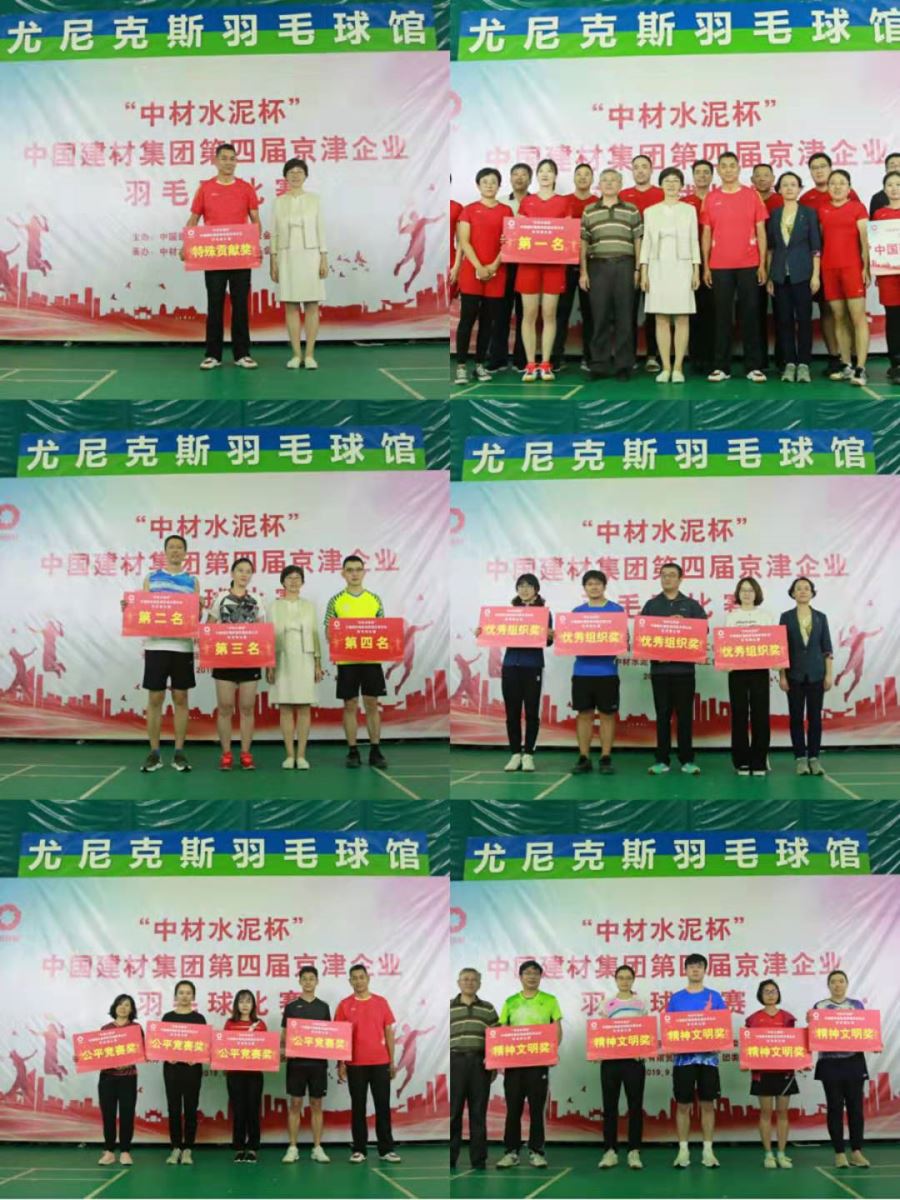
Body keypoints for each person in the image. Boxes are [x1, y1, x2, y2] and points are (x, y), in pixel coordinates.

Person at [122, 534, 200, 774]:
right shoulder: (151, 578)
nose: (175, 551)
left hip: (182, 647)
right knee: (155, 698)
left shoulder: (192, 581)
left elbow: (195, 616)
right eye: (171, 547)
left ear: (185, 553)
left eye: (180, 547)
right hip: (156, 646)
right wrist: (129, 609)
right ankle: (154, 752)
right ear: (165, 552)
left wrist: (198, 610)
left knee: (181, 698)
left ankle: (179, 751)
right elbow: (142, 612)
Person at [183, 143, 260, 370]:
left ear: (237, 162)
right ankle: (212, 355)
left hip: (240, 255)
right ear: (215, 161)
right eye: (224, 158)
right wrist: (186, 245)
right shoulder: (205, 188)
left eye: (232, 158)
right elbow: (194, 220)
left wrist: (256, 246)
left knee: (240, 305)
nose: (229, 162)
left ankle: (242, 354)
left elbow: (255, 220)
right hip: (214, 256)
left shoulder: (246, 188)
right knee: (214, 304)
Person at [701, 151, 768, 382]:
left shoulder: (752, 196)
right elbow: (706, 233)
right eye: (724, 166)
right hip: (719, 265)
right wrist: (706, 266)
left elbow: (761, 231)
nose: (728, 169)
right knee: (721, 316)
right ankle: (721, 367)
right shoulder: (711, 198)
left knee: (751, 314)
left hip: (749, 263)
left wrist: (762, 264)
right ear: (718, 170)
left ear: (739, 169)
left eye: (732, 165)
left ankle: (753, 366)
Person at [476, 573, 553, 773]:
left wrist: (550, 636)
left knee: (531, 712)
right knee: (512, 713)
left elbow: (548, 641)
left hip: (532, 666)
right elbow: (495, 633)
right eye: (520, 586)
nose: (524, 590)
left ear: (536, 589)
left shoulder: (543, 613)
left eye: (528, 586)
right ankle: (515, 754)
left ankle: (528, 755)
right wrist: (483, 632)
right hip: (510, 666)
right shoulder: (508, 614)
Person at [496, 961, 563, 1171]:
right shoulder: (510, 1002)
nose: (531, 977)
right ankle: (511, 1152)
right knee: (513, 1110)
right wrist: (501, 1058)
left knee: (536, 1109)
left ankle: (537, 1152)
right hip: (514, 1065)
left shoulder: (550, 1000)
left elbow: (557, 1029)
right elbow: (502, 1030)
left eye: (535, 973)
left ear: (541, 977)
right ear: (520, 976)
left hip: (538, 1064)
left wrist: (551, 1051)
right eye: (527, 973)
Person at [641, 563, 707, 775]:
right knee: (662, 716)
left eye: (672, 575)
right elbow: (643, 636)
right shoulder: (652, 605)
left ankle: (687, 760)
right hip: (660, 671)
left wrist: (685, 623)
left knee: (685, 716)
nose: (667, 578)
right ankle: (662, 760)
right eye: (664, 575)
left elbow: (703, 631)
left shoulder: (691, 605)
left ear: (680, 579)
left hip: (684, 671)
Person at [324, 555, 389, 770]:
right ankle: (352, 751)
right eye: (350, 570)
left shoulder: (374, 599)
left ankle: (375, 750)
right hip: (347, 661)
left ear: (364, 572)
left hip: (371, 660)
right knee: (350, 704)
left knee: (371, 703)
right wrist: (340, 638)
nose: (354, 573)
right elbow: (329, 631)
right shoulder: (336, 600)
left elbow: (383, 630)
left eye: (358, 569)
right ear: (343, 573)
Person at [800, 153, 861, 376]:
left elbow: (859, 229)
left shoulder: (848, 193)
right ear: (810, 171)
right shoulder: (806, 198)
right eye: (814, 167)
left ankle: (854, 358)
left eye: (823, 166)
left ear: (830, 167)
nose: (819, 170)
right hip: (821, 264)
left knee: (851, 311)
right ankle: (835, 357)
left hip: (848, 262)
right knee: (827, 310)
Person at [639, 166, 700, 383]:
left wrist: (696, 269)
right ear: (661, 185)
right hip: (658, 267)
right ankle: (665, 367)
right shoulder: (650, 211)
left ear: (682, 185)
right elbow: (646, 243)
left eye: (676, 181)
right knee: (661, 318)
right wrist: (644, 272)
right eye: (667, 181)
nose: (672, 185)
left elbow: (694, 240)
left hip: (682, 267)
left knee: (682, 317)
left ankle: (678, 368)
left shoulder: (689, 210)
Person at [579, 169, 642, 380]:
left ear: (620, 185)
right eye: (604, 180)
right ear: (599, 184)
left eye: (613, 180)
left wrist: (638, 269)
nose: (608, 183)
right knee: (599, 317)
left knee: (625, 317)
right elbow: (583, 242)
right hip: (597, 266)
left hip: (625, 265)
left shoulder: (631, 210)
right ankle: (599, 364)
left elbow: (638, 240)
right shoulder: (589, 211)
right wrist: (583, 272)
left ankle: (624, 365)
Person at [667, 954, 728, 1168]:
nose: (695, 970)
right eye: (691, 966)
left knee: (707, 1105)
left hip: (708, 1061)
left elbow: (722, 1028)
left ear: (705, 970)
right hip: (683, 1062)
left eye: (699, 966)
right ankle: (683, 1151)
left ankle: (708, 1151)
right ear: (685, 970)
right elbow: (669, 1029)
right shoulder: (676, 999)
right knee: (683, 1105)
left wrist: (717, 1042)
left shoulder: (715, 997)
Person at [335, 965, 400, 1164]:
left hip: (380, 1062)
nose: (358, 981)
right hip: (355, 1064)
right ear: (350, 981)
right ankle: (359, 1149)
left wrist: (391, 1061)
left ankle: (386, 1149)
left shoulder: (381, 1002)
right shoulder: (344, 1005)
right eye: (354, 978)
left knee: (382, 1106)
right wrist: (341, 1063)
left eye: (361, 977)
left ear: (368, 978)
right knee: (358, 1107)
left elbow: (389, 1033)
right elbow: (340, 1036)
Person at [454, 168, 513, 384]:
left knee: (488, 322)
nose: (489, 185)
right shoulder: (468, 210)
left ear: (499, 186)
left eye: (493, 182)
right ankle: (461, 366)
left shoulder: (506, 210)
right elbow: (464, 242)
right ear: (478, 185)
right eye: (485, 182)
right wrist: (479, 266)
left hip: (497, 272)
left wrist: (494, 265)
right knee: (467, 320)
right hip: (472, 272)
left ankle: (479, 364)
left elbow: (509, 241)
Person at [208, 557, 266, 771]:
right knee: (225, 708)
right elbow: (209, 627)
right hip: (225, 659)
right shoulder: (221, 598)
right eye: (240, 570)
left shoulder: (256, 600)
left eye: (248, 571)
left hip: (250, 660)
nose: (244, 574)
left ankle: (245, 753)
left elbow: (262, 631)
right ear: (232, 573)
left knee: (247, 708)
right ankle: (226, 754)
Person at [516, 158, 571, 381]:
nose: (545, 174)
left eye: (549, 171)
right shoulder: (527, 202)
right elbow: (517, 231)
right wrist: (508, 239)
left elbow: (569, 234)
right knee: (529, 314)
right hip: (528, 265)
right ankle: (530, 364)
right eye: (541, 171)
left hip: (554, 266)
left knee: (549, 314)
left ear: (556, 176)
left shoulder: (563, 202)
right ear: (536, 176)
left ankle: (546, 363)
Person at [270, 158, 328, 370]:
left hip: (311, 254)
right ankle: (296, 354)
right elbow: (274, 232)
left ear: (306, 176)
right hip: (286, 255)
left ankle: (310, 354)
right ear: (285, 176)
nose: (295, 175)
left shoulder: (314, 200)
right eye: (291, 172)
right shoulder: (278, 202)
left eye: (299, 172)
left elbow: (321, 228)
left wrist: (323, 256)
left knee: (312, 304)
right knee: (291, 304)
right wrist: (273, 259)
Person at [765, 172, 821, 383]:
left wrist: (815, 276)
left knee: (804, 320)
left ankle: (804, 363)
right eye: (785, 185)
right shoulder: (775, 214)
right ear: (779, 189)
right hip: (780, 276)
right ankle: (789, 363)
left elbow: (816, 248)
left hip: (803, 275)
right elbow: (771, 248)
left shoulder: (809, 213)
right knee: (784, 321)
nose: (789, 188)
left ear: (799, 189)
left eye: (793, 184)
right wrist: (770, 276)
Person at [813, 970, 871, 1169]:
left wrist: (873, 1042)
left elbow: (866, 1031)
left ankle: (856, 1152)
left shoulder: (857, 1006)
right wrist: (811, 1022)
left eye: (841, 981)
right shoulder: (820, 1007)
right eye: (833, 982)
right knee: (835, 1108)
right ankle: (839, 1153)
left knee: (856, 1108)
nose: (837, 985)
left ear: (846, 984)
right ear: (828, 985)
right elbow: (814, 1034)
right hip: (830, 1064)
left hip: (854, 1062)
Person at [570, 570, 624, 775]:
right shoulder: (577, 613)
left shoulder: (616, 610)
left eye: (598, 583)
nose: (594, 587)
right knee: (584, 715)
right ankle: (584, 757)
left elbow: (622, 640)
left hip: (607, 672)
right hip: (582, 672)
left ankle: (605, 757)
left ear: (604, 586)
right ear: (585, 588)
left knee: (607, 715)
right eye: (590, 584)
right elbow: (569, 640)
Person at [268, 565, 322, 770]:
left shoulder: (309, 606)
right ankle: (289, 755)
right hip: (282, 657)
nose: (293, 581)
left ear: (302, 582)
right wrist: (269, 664)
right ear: (282, 582)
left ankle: (302, 755)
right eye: (289, 578)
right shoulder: (273, 606)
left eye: (297, 578)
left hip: (305, 657)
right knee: (285, 707)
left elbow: (315, 634)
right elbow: (268, 637)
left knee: (304, 707)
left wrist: (317, 662)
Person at [819, 170, 870, 386]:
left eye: (842, 183)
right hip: (829, 269)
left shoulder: (857, 208)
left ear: (849, 187)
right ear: (828, 187)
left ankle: (861, 368)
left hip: (852, 268)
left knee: (858, 318)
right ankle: (846, 364)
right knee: (838, 317)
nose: (837, 186)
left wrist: (866, 267)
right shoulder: (822, 209)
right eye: (833, 183)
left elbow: (865, 240)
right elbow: (821, 241)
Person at [779, 577, 833, 776]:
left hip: (817, 675)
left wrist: (829, 674)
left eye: (806, 588)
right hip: (794, 675)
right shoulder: (786, 617)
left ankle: (814, 758)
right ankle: (800, 758)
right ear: (793, 593)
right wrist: (782, 676)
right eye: (798, 588)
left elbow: (827, 649)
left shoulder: (821, 617)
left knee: (815, 718)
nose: (802, 591)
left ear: (812, 593)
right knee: (796, 718)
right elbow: (781, 649)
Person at [726, 577, 777, 776]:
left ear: (757, 593)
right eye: (743, 590)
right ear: (738, 594)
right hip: (737, 672)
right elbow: (726, 645)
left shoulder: (765, 616)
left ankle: (759, 760)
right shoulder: (732, 617)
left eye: (750, 590)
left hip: (760, 671)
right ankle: (741, 761)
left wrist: (776, 660)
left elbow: (774, 644)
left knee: (760, 715)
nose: (746, 594)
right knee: (739, 715)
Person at [450, 968, 499, 1171]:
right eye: (465, 979)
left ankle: (478, 1159)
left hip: (480, 1063)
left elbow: (496, 1038)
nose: (469, 982)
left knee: (478, 1113)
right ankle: (450, 1158)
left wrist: (493, 1063)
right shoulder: (448, 1007)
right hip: (455, 1062)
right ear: (458, 983)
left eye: (474, 980)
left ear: (479, 984)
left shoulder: (488, 1009)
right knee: (454, 1113)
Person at [598, 965, 646, 1171]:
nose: (624, 981)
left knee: (635, 1106)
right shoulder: (607, 1004)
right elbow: (601, 1031)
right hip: (610, 1062)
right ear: (615, 980)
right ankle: (610, 1151)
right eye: (621, 978)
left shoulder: (641, 1003)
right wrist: (598, 1051)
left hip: (634, 1062)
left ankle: (634, 1151)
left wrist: (642, 1050)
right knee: (610, 1107)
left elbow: (646, 1031)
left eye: (628, 978)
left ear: (633, 980)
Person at [745, 980, 797, 1169]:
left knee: (782, 1113)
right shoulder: (753, 1019)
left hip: (785, 1072)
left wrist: (802, 1061)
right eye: (766, 991)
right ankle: (768, 1154)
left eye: (773, 991)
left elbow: (795, 1043)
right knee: (766, 1113)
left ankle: (782, 1154)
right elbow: (748, 1045)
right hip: (762, 1073)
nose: (770, 994)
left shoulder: (788, 1018)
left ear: (778, 994)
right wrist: (746, 1061)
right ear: (760, 995)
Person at [282, 966, 331, 1164]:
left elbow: (330, 1034)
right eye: (305, 978)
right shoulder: (292, 1007)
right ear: (300, 982)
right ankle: (292, 1147)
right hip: (296, 1064)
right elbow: (285, 1034)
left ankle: (317, 1147)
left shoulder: (323, 1007)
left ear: (317, 981)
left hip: (318, 1064)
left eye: (312, 978)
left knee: (316, 1104)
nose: (308, 982)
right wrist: (285, 1049)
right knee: (295, 1104)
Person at [551, 163, 597, 372]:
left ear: (592, 179)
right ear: (573, 178)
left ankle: (589, 357)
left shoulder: (598, 202)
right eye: (579, 174)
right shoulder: (563, 201)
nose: (583, 177)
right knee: (561, 312)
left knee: (591, 314)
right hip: (564, 265)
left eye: (587, 174)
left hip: (592, 265)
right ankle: (556, 357)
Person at [620, 154, 664, 370]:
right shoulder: (622, 195)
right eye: (636, 167)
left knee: (654, 309)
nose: (640, 170)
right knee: (627, 308)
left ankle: (652, 355)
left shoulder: (661, 194)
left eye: (644, 166)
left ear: (651, 170)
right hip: (629, 258)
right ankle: (627, 356)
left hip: (658, 258)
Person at [488, 163, 532, 372]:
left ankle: (522, 359)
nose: (519, 178)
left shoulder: (536, 202)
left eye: (524, 174)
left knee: (526, 314)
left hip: (528, 265)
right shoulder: (502, 203)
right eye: (515, 174)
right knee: (500, 312)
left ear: (530, 179)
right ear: (510, 178)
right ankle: (497, 358)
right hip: (504, 264)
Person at [162, 980, 207, 1165]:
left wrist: (197, 1057)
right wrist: (167, 1055)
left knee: (190, 1108)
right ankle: (175, 1147)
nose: (184, 996)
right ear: (175, 996)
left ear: (193, 996)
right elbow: (160, 1044)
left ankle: (188, 1148)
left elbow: (204, 1045)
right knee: (173, 1108)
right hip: (172, 1069)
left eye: (188, 993)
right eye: (181, 992)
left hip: (192, 1069)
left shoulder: (199, 1019)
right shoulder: (167, 1018)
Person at [97, 994, 142, 1167]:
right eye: (120, 1004)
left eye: (127, 1005)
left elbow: (142, 1051)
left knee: (127, 1114)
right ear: (114, 1007)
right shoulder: (105, 1029)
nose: (123, 1008)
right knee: (108, 1115)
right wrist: (82, 1057)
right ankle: (109, 1151)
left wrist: (129, 1062)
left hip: (128, 1079)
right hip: (107, 1079)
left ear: (132, 1009)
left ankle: (125, 1151)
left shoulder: (136, 1028)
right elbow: (96, 1053)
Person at [224, 990, 267, 1163]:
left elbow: (266, 1048)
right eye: (241, 1001)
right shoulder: (230, 1024)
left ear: (253, 1005)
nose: (244, 1005)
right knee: (238, 1110)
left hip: (254, 1075)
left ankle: (253, 1148)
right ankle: (239, 1147)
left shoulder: (260, 1024)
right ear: (236, 1004)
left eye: (248, 1001)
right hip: (235, 1074)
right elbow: (224, 1047)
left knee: (253, 1110)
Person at [752, 163, 784, 370]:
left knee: (782, 311)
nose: (762, 178)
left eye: (766, 175)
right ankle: (759, 359)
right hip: (752, 262)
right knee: (755, 312)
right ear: (752, 180)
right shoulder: (747, 199)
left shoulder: (781, 200)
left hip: (780, 261)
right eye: (758, 175)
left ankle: (783, 359)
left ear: (773, 179)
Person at [686, 160, 715, 374]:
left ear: (712, 176)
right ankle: (696, 357)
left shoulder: (718, 199)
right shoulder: (685, 202)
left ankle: (715, 357)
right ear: (693, 176)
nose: (702, 176)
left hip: (717, 261)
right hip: (689, 263)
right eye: (698, 172)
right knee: (693, 310)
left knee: (715, 311)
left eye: (706, 172)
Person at [871, 169, 900, 381]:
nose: (894, 189)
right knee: (893, 318)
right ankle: (896, 362)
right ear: (884, 189)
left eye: (898, 185)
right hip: (888, 274)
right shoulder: (879, 214)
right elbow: (875, 246)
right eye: (890, 185)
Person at [868, 151, 900, 217]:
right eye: (892, 166)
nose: (896, 168)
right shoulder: (877, 198)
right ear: (886, 170)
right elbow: (874, 222)